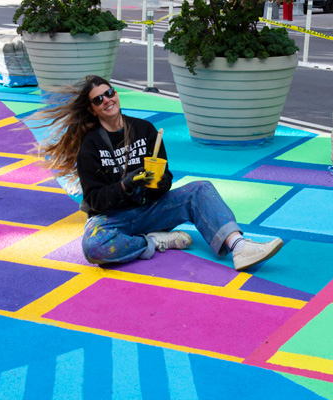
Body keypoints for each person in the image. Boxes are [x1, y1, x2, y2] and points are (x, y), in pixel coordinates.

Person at [34, 75, 284, 270]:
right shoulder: (90, 145)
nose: (107, 100)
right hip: (113, 218)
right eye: (98, 99)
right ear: (91, 109)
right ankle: (154, 241)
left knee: (200, 189)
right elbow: (95, 200)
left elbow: (167, 180)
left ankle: (240, 247)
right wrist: (126, 184)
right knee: (94, 247)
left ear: (116, 94)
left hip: (150, 209)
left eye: (109, 93)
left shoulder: (144, 129)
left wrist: (158, 182)